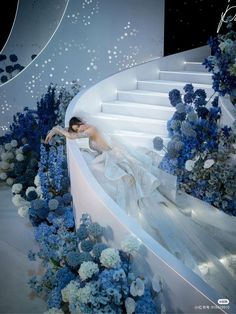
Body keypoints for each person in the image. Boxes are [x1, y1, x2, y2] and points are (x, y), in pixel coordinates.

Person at [45, 115, 236, 301]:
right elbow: (81, 140)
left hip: (116, 159)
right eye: (78, 129)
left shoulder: (92, 129)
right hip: (111, 158)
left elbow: (75, 137)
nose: (81, 130)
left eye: (79, 127)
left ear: (82, 123)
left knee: (139, 199)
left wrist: (57, 130)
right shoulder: (88, 132)